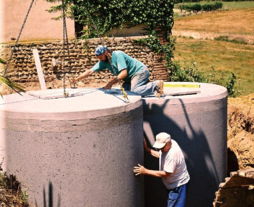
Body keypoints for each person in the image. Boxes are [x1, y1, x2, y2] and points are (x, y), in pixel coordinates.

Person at [72, 45, 164, 97]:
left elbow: (124, 73)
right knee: (125, 93)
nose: (100, 59)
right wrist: (77, 79)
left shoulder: (118, 55)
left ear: (106, 53)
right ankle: (145, 86)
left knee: (135, 92)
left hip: (139, 72)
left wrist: (110, 83)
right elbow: (89, 71)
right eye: (98, 57)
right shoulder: (103, 62)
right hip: (130, 79)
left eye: (100, 57)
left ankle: (155, 85)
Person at [133, 132, 190, 207]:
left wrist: (145, 171)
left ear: (168, 143)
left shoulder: (172, 155)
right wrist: (148, 150)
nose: (161, 149)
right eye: (159, 148)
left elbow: (166, 173)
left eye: (162, 147)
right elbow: (161, 155)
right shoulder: (171, 143)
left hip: (178, 186)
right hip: (174, 184)